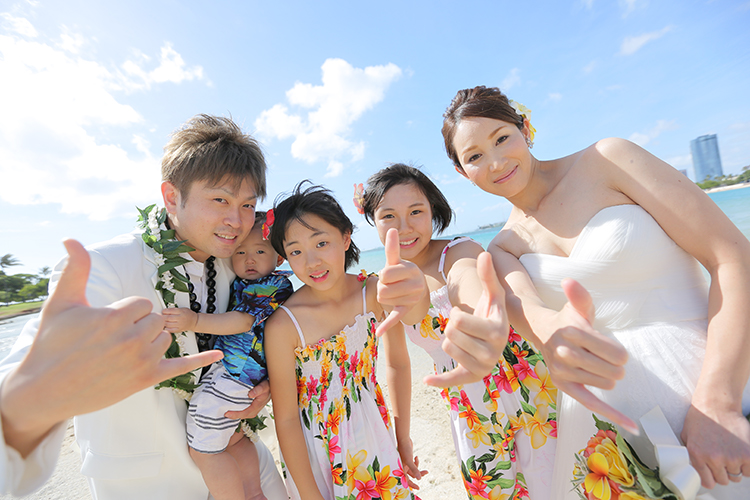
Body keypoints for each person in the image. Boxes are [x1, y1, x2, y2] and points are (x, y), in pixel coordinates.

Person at [441, 85, 750, 499]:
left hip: (717, 380)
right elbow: (534, 318)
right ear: (462, 172)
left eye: (502, 138)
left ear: (525, 129)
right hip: (611, 436)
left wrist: (718, 401)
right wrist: (497, 336)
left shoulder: (608, 160)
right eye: (475, 156)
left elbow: (731, 256)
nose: (496, 162)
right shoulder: (502, 250)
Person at [0, 114, 288, 499]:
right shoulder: (105, 265)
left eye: (247, 204)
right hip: (148, 483)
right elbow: (25, 371)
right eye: (220, 199)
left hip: (241, 460)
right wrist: (29, 403)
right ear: (172, 197)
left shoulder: (237, 263)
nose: (236, 221)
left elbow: (266, 328)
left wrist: (265, 385)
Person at [360, 163, 556, 499]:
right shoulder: (387, 285)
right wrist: (402, 437)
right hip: (469, 410)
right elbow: (397, 364)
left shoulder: (459, 251)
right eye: (388, 216)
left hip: (524, 385)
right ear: (373, 222)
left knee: (561, 480)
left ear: (433, 210)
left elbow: (467, 282)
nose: (404, 227)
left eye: (416, 211)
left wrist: (482, 319)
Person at [264, 182, 431, 500]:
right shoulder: (284, 325)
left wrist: (402, 439)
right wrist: (310, 495)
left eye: (321, 243)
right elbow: (285, 418)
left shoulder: (374, 292)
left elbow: (397, 363)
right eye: (296, 251)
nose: (311, 261)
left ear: (345, 238)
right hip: (318, 452)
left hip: (374, 433)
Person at [162, 211, 293, 500]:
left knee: (203, 450)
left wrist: (194, 321)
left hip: (236, 375)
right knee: (234, 439)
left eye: (260, 251)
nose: (249, 259)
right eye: (241, 251)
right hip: (237, 376)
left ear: (279, 258)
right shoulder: (249, 281)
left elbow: (243, 321)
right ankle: (255, 494)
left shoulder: (273, 285)